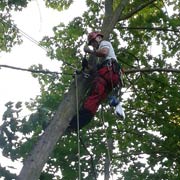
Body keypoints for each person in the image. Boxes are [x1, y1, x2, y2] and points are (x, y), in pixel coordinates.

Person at [69, 31, 122, 130]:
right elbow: (95, 71)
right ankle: (76, 125)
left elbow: (104, 52)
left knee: (92, 98)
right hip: (109, 79)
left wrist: (89, 51)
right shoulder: (101, 59)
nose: (93, 45)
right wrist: (86, 66)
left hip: (108, 74)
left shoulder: (104, 43)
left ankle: (74, 123)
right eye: (91, 43)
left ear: (98, 38)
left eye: (93, 42)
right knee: (95, 101)